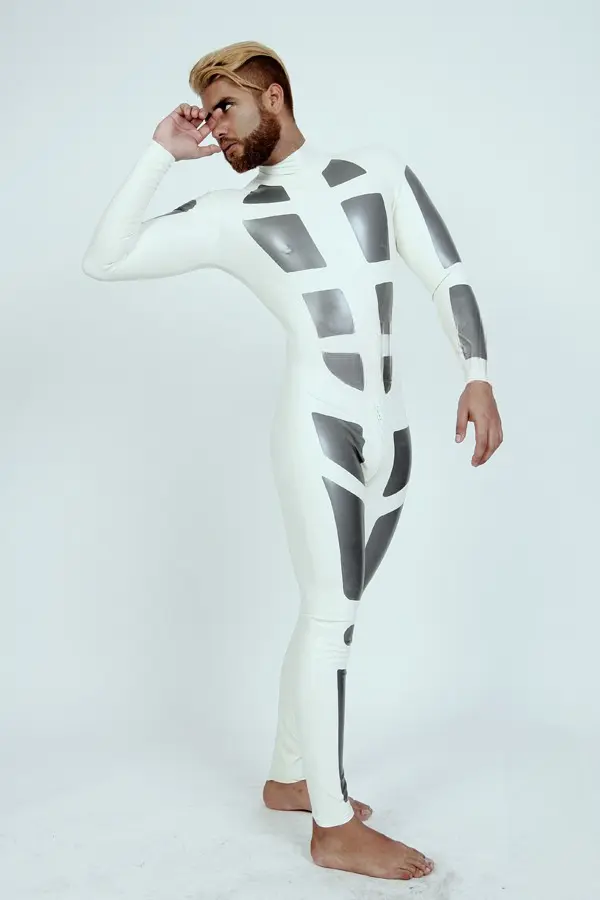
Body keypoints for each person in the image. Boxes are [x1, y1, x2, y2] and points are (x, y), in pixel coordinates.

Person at [82, 40, 503, 881]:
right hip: (320, 429)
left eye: (225, 107)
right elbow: (106, 258)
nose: (214, 126)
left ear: (273, 96)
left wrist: (478, 376)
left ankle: (286, 775)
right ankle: (332, 824)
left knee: (329, 613)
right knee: (329, 618)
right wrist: (160, 155)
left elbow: (445, 271)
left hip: (394, 435)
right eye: (206, 113)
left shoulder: (376, 170)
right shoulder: (230, 214)